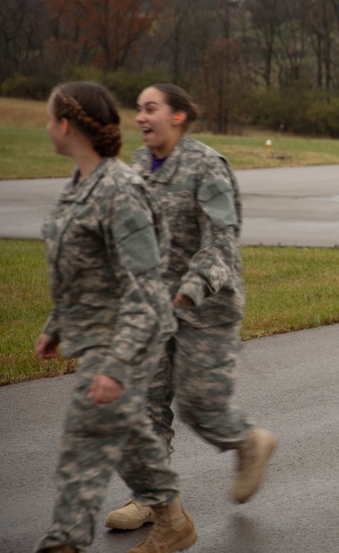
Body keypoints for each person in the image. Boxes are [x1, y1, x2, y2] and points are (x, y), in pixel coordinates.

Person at [103, 84, 277, 531]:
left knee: (199, 404)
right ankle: (153, 501)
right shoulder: (139, 165)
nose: (141, 117)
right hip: (154, 304)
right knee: (146, 403)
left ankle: (249, 442)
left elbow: (222, 238)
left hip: (208, 306)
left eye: (151, 109)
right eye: (138, 109)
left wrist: (193, 286)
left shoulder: (207, 165)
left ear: (178, 116)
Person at [34, 81, 196, 553]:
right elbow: (83, 269)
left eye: (49, 119)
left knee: (80, 451)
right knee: (131, 440)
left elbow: (146, 289)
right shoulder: (80, 186)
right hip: (94, 341)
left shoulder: (120, 190)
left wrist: (118, 364)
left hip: (121, 344)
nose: (46, 127)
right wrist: (56, 325)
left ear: (65, 125)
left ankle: (64, 541)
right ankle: (172, 518)